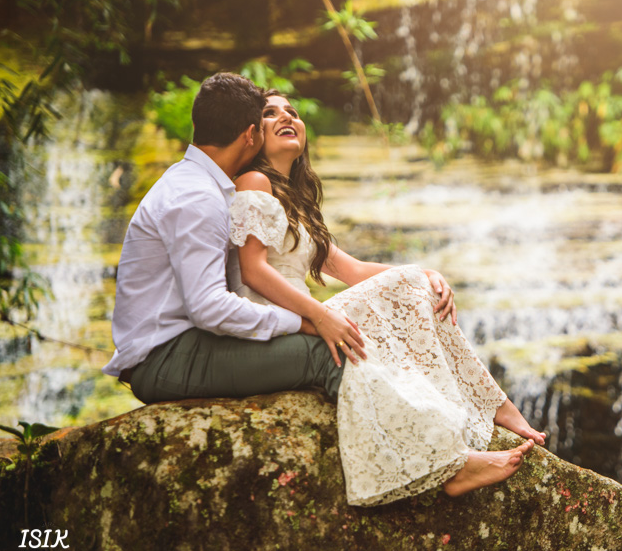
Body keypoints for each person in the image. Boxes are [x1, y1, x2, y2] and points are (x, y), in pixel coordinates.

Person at [227, 89, 545, 505]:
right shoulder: (255, 182)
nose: (286, 118)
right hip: (279, 318)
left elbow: (352, 271)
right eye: (270, 113)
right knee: (408, 288)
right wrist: (320, 316)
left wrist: (425, 273)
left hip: (304, 314)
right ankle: (475, 435)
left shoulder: (294, 198)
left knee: (417, 283)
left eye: (293, 112)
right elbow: (252, 271)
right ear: (252, 134)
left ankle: (491, 404)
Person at [102, 73, 342, 404]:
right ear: (251, 135)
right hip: (165, 359)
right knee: (328, 356)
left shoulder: (196, 183)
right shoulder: (198, 197)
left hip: (184, 346)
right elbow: (209, 308)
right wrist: (302, 322)